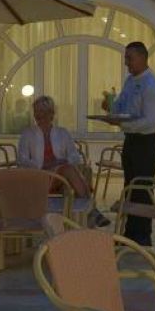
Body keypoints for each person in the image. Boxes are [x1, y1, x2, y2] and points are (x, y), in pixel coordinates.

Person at [101, 41, 155, 247]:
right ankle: (130, 232)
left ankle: (142, 236)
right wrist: (110, 107)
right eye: (126, 58)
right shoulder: (130, 81)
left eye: (130, 58)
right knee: (130, 186)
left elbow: (150, 121)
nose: (126, 62)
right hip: (131, 140)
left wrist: (121, 124)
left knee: (142, 187)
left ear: (142, 58)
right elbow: (122, 107)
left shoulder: (150, 85)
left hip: (145, 142)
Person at [16, 95, 109, 228]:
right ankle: (91, 211)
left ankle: (85, 214)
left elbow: (75, 156)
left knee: (71, 169)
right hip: (39, 177)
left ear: (51, 114)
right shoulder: (28, 134)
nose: (39, 115)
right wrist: (42, 166)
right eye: (36, 111)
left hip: (60, 177)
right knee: (69, 170)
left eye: (43, 111)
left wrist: (62, 161)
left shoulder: (62, 133)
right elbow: (21, 159)